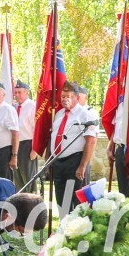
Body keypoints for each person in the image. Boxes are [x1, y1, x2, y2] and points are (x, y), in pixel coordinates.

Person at [50, 81, 97, 217]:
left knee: (75, 201)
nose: (65, 99)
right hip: (59, 162)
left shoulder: (84, 115)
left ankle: (76, 230)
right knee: (61, 200)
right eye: (63, 96)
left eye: (68, 96)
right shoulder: (59, 114)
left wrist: (82, 166)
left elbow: (91, 141)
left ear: (76, 97)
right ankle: (64, 228)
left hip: (74, 162)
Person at [12, 80, 38, 193]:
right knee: (18, 181)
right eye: (15, 92)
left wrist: (35, 149)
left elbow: (37, 129)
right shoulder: (14, 107)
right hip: (16, 146)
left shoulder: (32, 106)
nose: (17, 95)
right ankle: (21, 205)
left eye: (19, 92)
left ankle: (33, 205)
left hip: (27, 145)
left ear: (26, 92)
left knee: (29, 179)